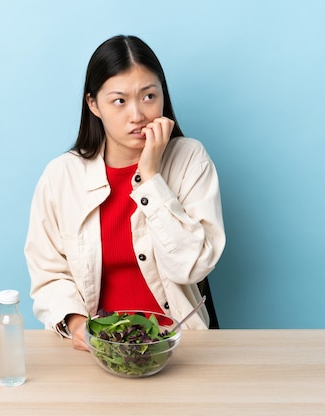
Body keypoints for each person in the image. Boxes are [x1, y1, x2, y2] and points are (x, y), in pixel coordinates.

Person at [24, 35, 225, 351]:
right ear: (94, 104)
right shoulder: (61, 176)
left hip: (179, 347)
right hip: (98, 348)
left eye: (148, 96)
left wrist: (150, 178)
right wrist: (77, 324)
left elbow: (191, 266)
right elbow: (48, 271)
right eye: (119, 101)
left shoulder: (190, 159)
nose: (138, 115)